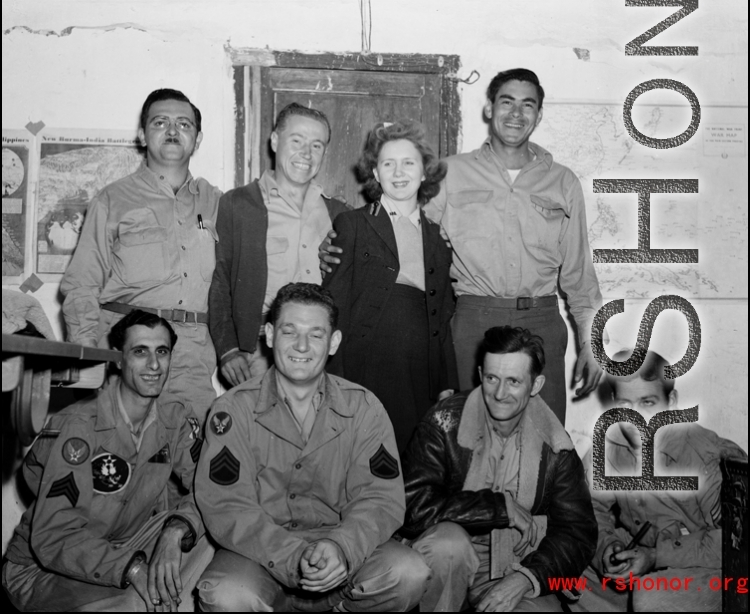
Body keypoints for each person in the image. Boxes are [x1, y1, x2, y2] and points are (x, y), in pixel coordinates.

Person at [321, 69, 603, 426]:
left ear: (539, 114)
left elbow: (579, 274)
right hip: (473, 322)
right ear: (488, 109)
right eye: (506, 102)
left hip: (541, 321)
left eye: (527, 105)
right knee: (465, 440)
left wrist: (592, 343)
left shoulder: (562, 182)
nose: (516, 114)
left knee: (543, 440)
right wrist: (338, 243)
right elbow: (396, 229)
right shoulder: (451, 175)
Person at [194, 282, 430, 612]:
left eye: (316, 334)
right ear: (270, 334)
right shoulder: (233, 410)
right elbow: (227, 505)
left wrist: (341, 547)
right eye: (290, 332)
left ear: (333, 342)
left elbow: (381, 497)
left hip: (341, 552)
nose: (302, 345)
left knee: (408, 573)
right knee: (228, 594)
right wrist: (293, 556)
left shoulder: (364, 407)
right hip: (261, 555)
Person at [3, 309, 214, 613]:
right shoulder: (80, 427)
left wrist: (176, 529)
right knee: (139, 600)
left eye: (162, 352)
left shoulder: (175, 415)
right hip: (40, 569)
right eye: (140, 352)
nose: (154, 365)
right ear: (118, 358)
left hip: (125, 544)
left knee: (214, 534)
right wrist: (133, 569)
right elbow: (53, 535)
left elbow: (211, 488)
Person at [403, 325, 598, 612]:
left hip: (514, 564)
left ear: (536, 385)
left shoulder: (556, 446)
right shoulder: (443, 423)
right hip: (443, 562)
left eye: (514, 382)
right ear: (480, 374)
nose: (499, 393)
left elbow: (578, 531)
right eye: (492, 378)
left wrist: (526, 578)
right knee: (449, 546)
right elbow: (412, 507)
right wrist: (498, 508)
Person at [61, 89, 220, 420]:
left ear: (198, 138)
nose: (173, 131)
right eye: (161, 122)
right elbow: (82, 284)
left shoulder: (217, 203)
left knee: (196, 462)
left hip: (191, 358)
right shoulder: (113, 200)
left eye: (184, 124)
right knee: (117, 461)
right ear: (142, 135)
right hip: (126, 351)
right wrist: (89, 356)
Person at [324, 120, 457, 455]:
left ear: (425, 171)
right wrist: (336, 381)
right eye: (388, 163)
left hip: (419, 373)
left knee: (413, 461)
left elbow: (441, 319)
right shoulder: (353, 224)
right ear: (375, 172)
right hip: (365, 367)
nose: (399, 172)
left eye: (408, 162)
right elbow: (333, 308)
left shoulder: (438, 238)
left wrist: (446, 382)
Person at [579, 350, 747, 612]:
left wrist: (657, 556)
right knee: (565, 556)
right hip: (646, 559)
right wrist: (609, 548)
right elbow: (587, 510)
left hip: (714, 568)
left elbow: (734, 543)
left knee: (650, 596)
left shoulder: (706, 456)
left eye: (647, 403)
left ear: (671, 401)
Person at [209, 103, 350, 389]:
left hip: (318, 352)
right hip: (257, 352)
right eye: (296, 141)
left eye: (316, 145)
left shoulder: (340, 214)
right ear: (275, 141)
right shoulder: (238, 204)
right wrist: (228, 350)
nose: (306, 154)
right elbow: (220, 281)